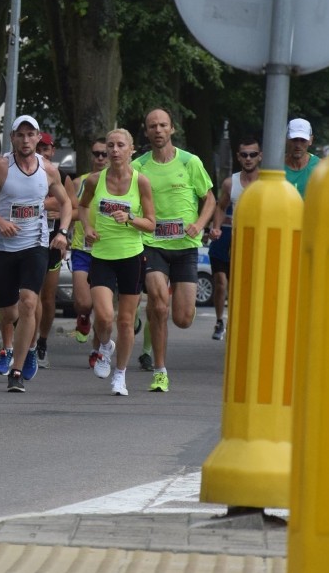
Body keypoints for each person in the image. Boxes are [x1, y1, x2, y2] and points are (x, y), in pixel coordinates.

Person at [0, 115, 72, 392]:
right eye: (20, 135)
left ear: (38, 138)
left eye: (31, 135)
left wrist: (62, 233)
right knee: (9, 311)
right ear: (12, 138)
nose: (25, 140)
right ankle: (22, 345)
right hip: (3, 247)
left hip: (35, 244)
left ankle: (18, 370)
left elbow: (66, 203)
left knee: (28, 303)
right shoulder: (1, 166)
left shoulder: (49, 170)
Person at [132, 108, 216, 392]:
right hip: (152, 244)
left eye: (163, 125)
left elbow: (211, 200)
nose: (157, 130)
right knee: (158, 304)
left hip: (185, 247)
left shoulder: (190, 162)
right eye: (152, 126)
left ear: (172, 130)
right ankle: (159, 370)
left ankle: (158, 331)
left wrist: (200, 224)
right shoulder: (139, 166)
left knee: (182, 318)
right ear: (146, 131)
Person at [77, 129, 155, 396]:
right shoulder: (94, 180)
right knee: (104, 315)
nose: (114, 150)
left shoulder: (141, 182)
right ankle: (104, 347)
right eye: (110, 145)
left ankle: (120, 375)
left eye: (121, 145)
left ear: (131, 150)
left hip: (131, 257)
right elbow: (82, 207)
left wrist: (131, 219)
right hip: (101, 256)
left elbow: (152, 224)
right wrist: (87, 227)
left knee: (125, 320)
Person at [207, 137, 261, 340]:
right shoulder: (231, 183)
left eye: (253, 155)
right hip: (228, 237)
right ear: (238, 157)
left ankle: (241, 321)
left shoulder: (266, 182)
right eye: (244, 155)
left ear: (260, 156)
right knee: (220, 281)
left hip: (253, 240)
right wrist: (216, 228)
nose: (248, 159)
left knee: (244, 284)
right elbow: (220, 206)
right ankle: (220, 320)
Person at [33, 131, 78, 369]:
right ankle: (25, 343)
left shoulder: (60, 176)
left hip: (51, 240)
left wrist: (61, 220)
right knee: (28, 295)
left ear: (52, 151)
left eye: (45, 149)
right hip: (27, 238)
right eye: (37, 147)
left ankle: (42, 342)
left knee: (47, 296)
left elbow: (75, 208)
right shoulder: (19, 172)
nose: (41, 152)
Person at [70, 137, 108, 366]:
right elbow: (71, 210)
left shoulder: (117, 183)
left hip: (108, 250)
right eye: (97, 154)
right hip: (82, 247)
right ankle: (83, 316)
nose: (101, 158)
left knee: (103, 309)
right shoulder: (79, 182)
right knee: (85, 302)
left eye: (104, 153)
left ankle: (97, 351)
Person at [284, 118, 319, 196]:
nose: (298, 145)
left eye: (303, 140)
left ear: (310, 140)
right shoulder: (276, 167)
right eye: (294, 140)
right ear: (286, 139)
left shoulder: (320, 167)